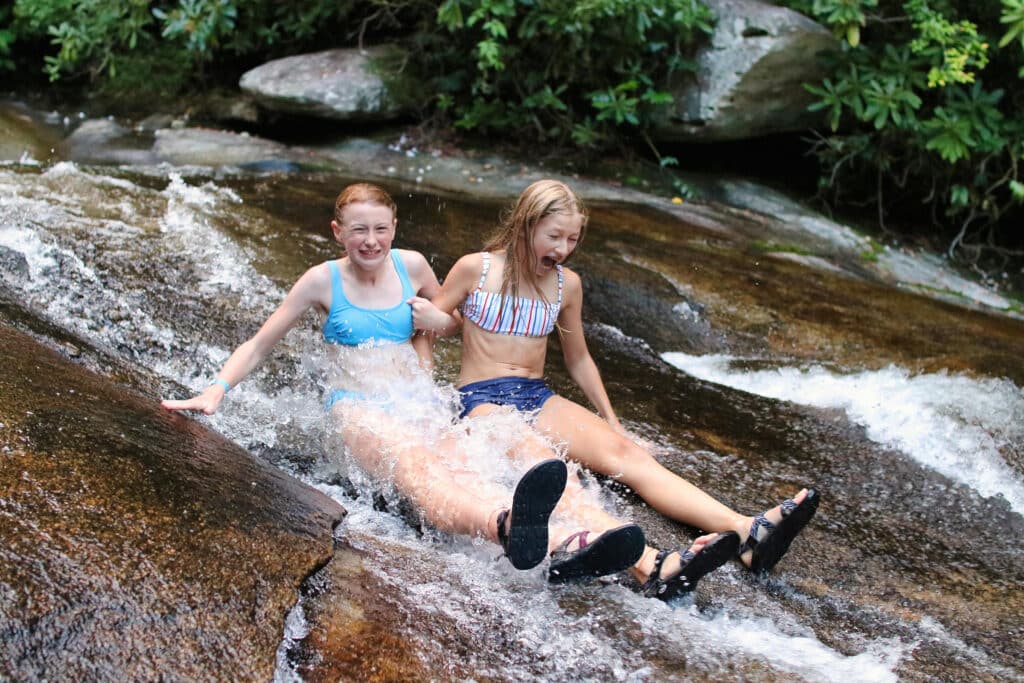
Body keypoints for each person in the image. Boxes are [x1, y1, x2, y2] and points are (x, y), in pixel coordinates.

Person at [161, 182, 706, 595]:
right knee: (421, 468)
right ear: (337, 233)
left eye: (379, 228)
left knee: (509, 463)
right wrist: (217, 389)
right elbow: (260, 344)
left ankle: (647, 560)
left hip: (418, 401)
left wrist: (427, 360)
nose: (369, 240)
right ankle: (507, 527)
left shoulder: (414, 266)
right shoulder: (321, 281)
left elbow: (443, 323)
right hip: (357, 408)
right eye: (357, 230)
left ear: (394, 226)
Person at [410, 179, 820, 578]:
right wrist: (427, 395)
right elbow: (428, 325)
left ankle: (749, 532)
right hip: (481, 399)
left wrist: (612, 420)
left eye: (572, 240)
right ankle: (652, 564)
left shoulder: (565, 286)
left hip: (536, 394)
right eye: (554, 236)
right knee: (547, 463)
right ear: (525, 223)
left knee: (628, 455)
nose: (563, 249)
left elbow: (580, 359)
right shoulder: (476, 269)